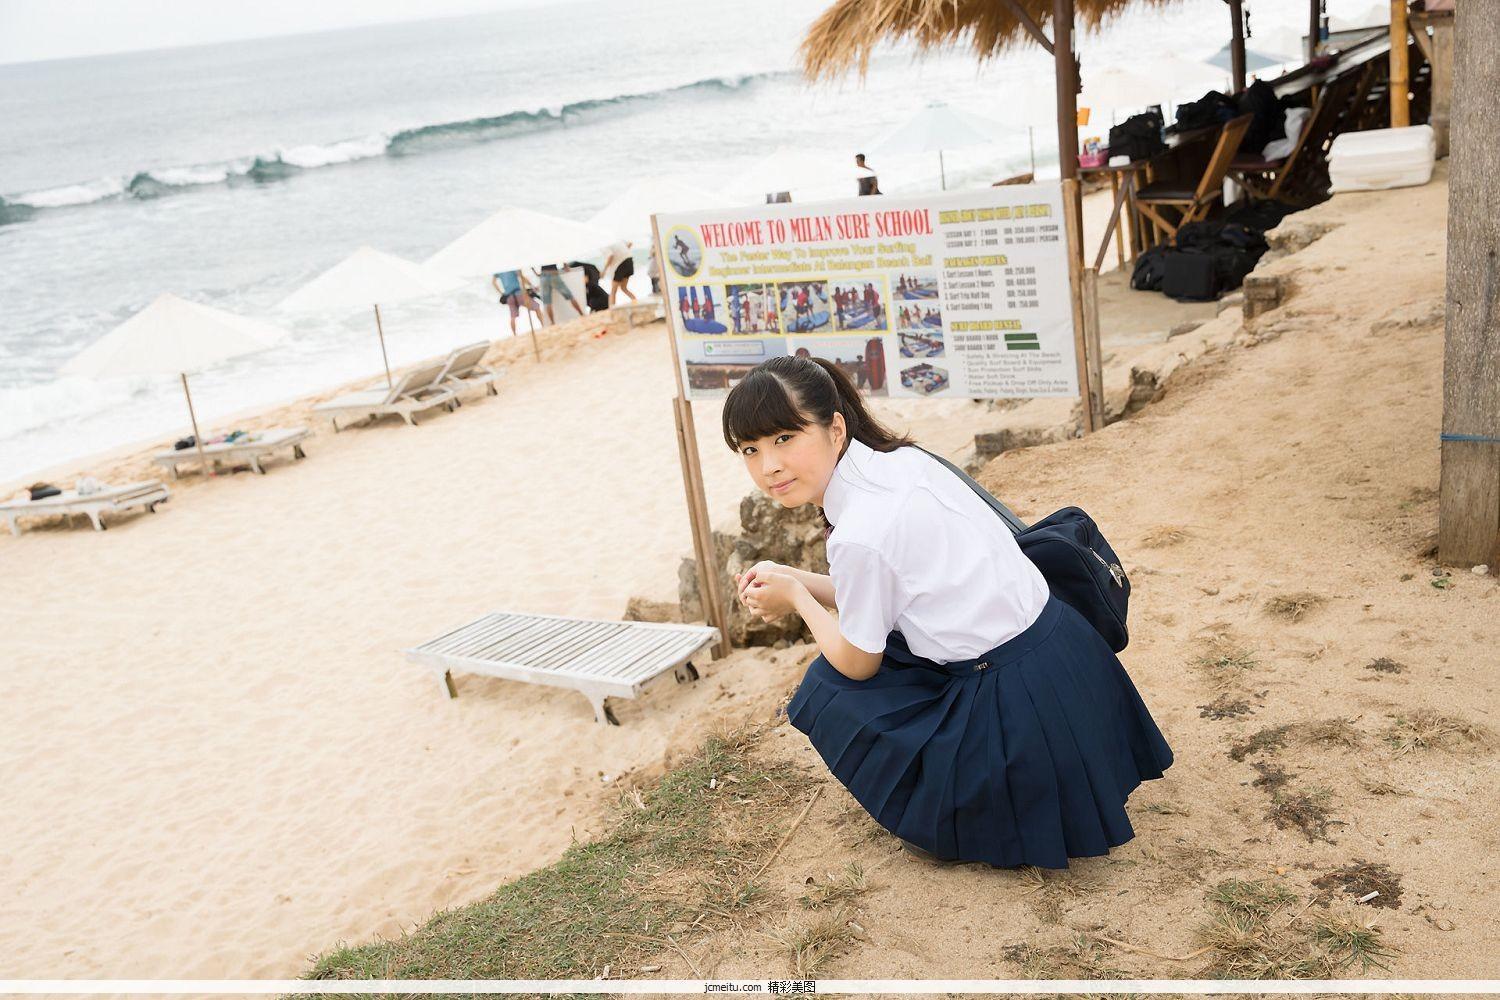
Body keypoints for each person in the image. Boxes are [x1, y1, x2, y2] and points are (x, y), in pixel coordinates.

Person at [721, 356, 1172, 868]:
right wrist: (799, 579)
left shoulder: (860, 533)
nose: (768, 466)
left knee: (830, 687)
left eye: (784, 438)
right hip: (1069, 660)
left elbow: (858, 662)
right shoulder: (904, 462)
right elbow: (901, 590)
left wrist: (797, 601)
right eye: (750, 450)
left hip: (1021, 706)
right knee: (883, 641)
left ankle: (955, 814)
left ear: (836, 427)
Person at [491, 269, 540, 336]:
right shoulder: (513, 265)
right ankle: (543, 325)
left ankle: (514, 334)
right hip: (519, 293)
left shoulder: (499, 269)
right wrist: (531, 285)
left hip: (509, 296)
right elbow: (522, 277)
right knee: (537, 307)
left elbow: (493, 282)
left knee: (513, 317)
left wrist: (501, 293)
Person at [602, 241, 637, 306]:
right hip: (629, 261)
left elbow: (610, 256)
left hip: (621, 264)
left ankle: (612, 309)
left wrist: (604, 271)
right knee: (623, 287)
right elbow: (630, 243)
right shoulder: (617, 240)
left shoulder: (604, 245)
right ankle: (635, 301)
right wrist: (623, 253)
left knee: (613, 290)